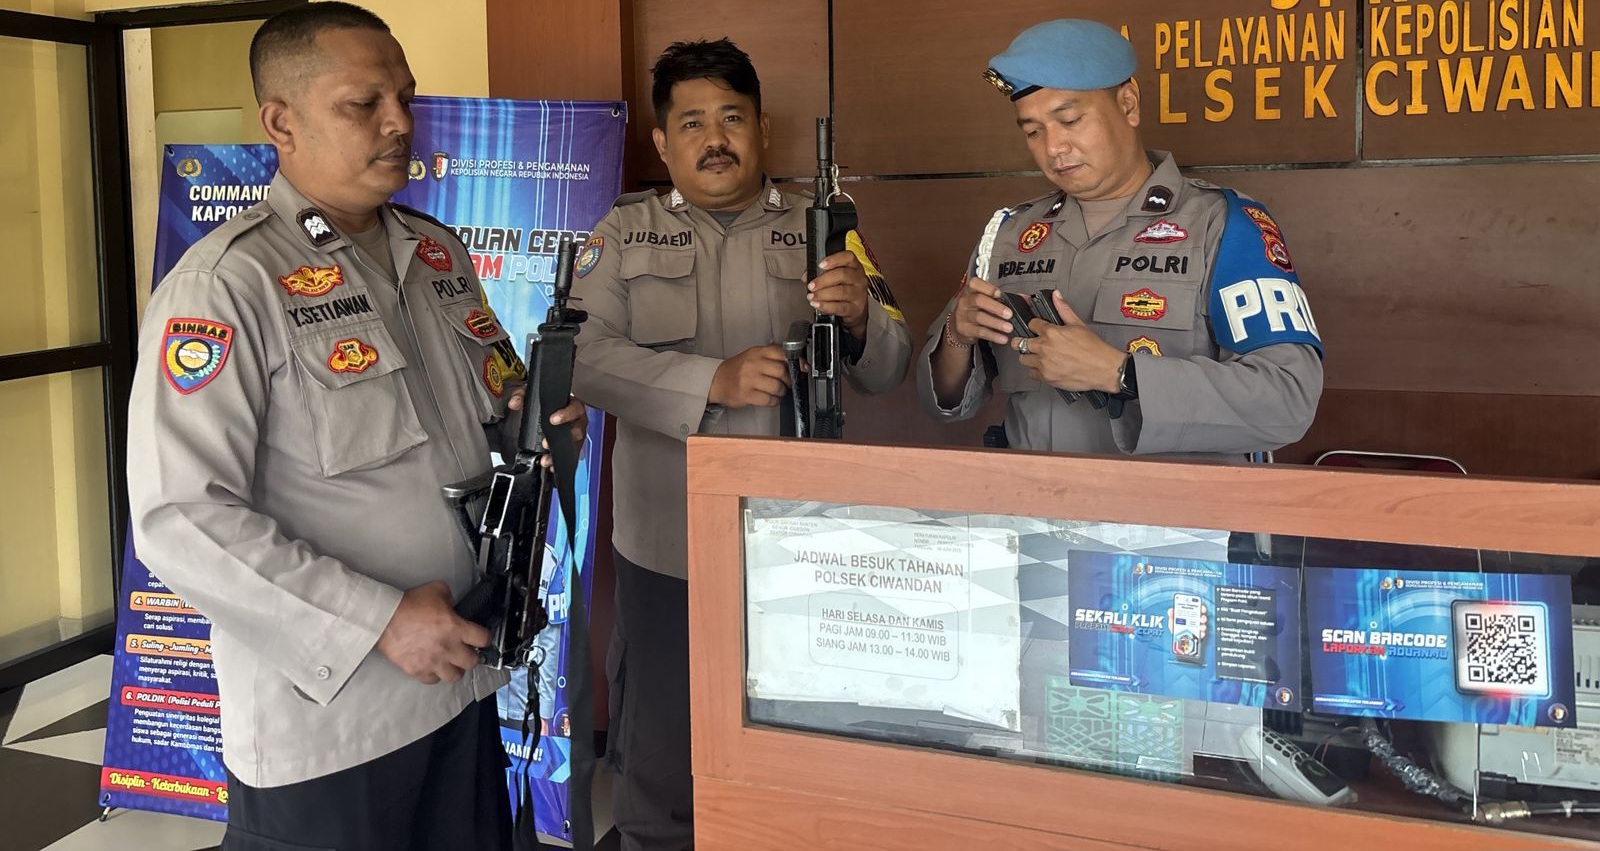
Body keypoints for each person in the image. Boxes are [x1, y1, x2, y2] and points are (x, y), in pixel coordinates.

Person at [125, 5, 583, 849]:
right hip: (333, 719)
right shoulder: (226, 285)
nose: (399, 121)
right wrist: (377, 621)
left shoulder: (438, 255)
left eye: (405, 97)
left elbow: (490, 423)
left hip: (458, 682)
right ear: (280, 123)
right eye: (362, 103)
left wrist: (540, 433)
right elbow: (180, 517)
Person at [571, 38, 913, 851]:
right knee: (663, 765)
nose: (714, 138)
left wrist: (860, 319)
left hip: (804, 546)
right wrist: (709, 382)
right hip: (669, 546)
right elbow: (579, 357)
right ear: (663, 142)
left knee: (801, 752)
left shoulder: (823, 230)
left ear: (762, 128)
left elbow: (891, 365)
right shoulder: (624, 232)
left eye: (731, 117)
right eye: (692, 122)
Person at [918, 19, 1323, 459]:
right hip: (1034, 497)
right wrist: (957, 334)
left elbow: (1288, 400)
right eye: (1033, 131)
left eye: (1069, 120)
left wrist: (1120, 373)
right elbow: (943, 404)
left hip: (1173, 503)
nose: (1053, 148)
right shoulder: (1010, 234)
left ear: (1128, 105)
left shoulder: (1222, 224)